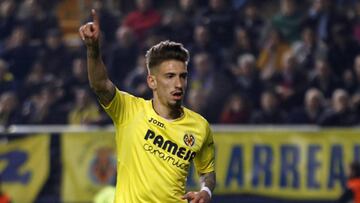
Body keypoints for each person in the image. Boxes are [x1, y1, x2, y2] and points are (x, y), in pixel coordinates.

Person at [79, 9, 216, 203]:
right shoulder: (129, 110)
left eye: (182, 76)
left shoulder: (200, 126)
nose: (178, 84)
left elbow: (207, 172)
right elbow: (100, 85)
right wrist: (93, 49)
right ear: (152, 81)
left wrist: (206, 191)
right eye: (169, 76)